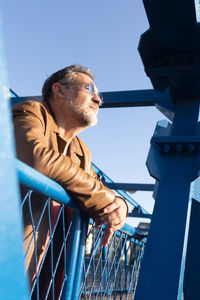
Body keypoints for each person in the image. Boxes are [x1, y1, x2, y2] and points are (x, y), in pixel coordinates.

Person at [12, 64, 128, 297]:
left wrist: (119, 205)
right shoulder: (31, 112)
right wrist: (104, 197)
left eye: (100, 96)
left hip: (45, 277)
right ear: (59, 90)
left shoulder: (82, 152)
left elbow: (95, 185)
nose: (98, 99)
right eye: (89, 89)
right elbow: (37, 158)